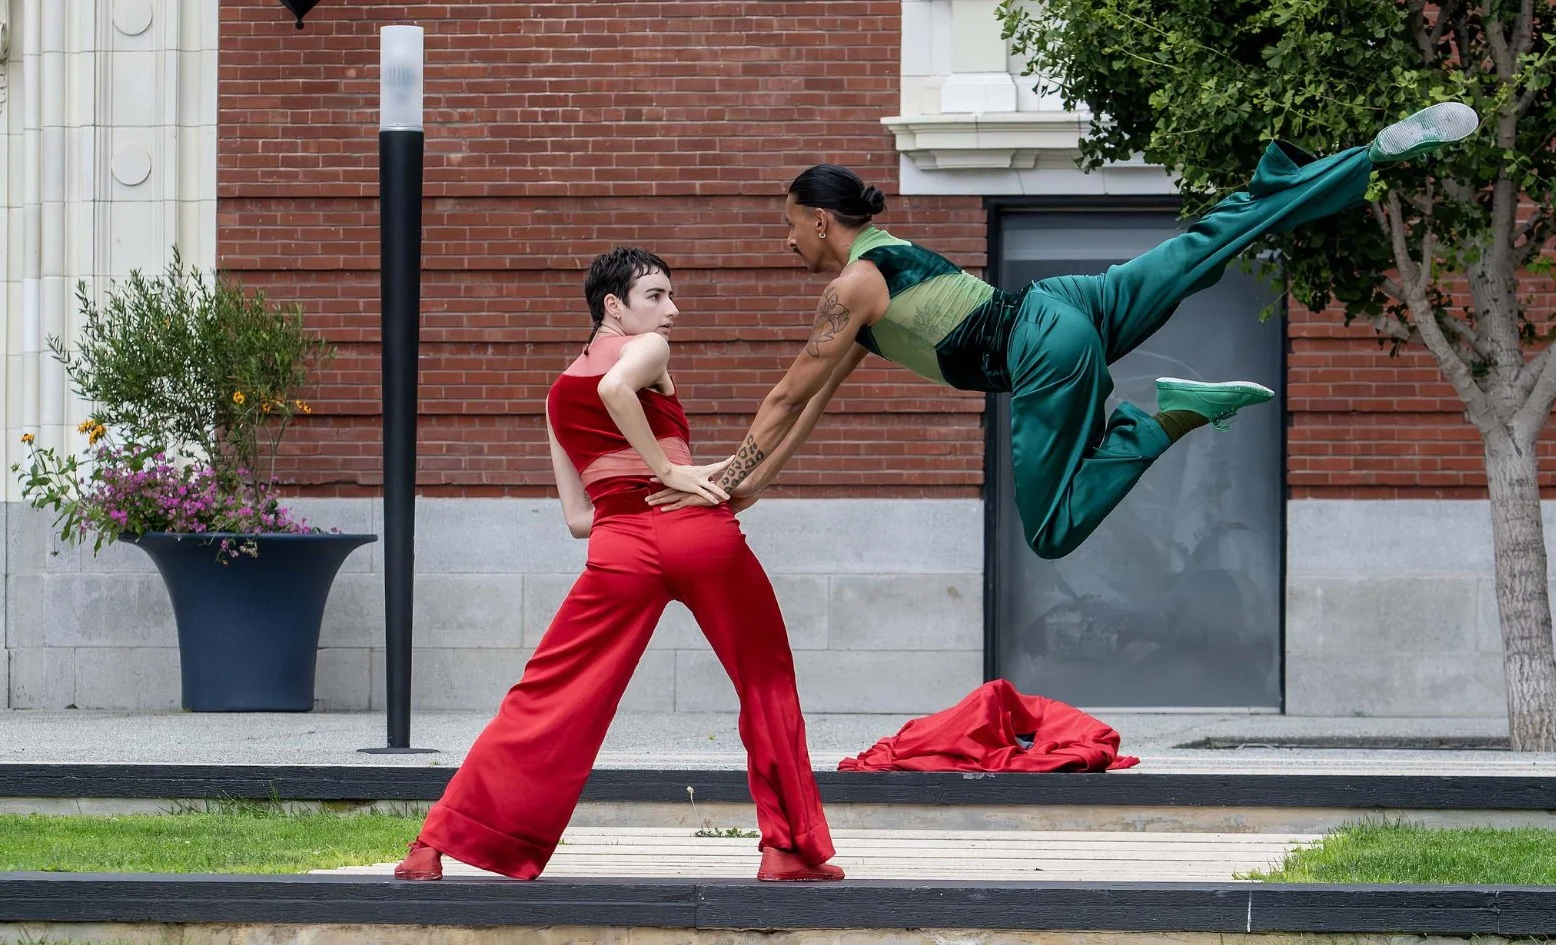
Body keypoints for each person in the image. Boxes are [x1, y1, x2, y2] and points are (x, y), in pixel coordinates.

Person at [650, 103, 1481, 558]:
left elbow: (788, 389)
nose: (785, 240)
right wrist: (740, 484)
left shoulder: (852, 288)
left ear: (823, 221)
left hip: (1042, 349)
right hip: (1066, 303)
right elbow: (814, 405)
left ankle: (1163, 420)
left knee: (1049, 533)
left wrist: (721, 473)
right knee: (1204, 244)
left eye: (790, 225)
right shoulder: (879, 272)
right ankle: (1361, 158)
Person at [394, 247, 844, 884]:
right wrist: (667, 471)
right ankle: (786, 850)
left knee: (546, 694)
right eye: (656, 296)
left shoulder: (555, 397)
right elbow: (615, 387)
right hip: (698, 534)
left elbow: (579, 518)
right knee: (765, 682)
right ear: (614, 306)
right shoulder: (650, 353)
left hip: (618, 548)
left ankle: (432, 846)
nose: (671, 312)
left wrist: (657, 484)